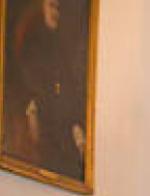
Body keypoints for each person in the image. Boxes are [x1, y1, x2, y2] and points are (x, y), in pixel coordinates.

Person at [2, 0, 88, 180]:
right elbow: (31, 87)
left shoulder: (59, 48)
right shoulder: (31, 41)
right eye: (52, 6)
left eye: (59, 8)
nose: (57, 13)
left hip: (60, 129)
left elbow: (68, 88)